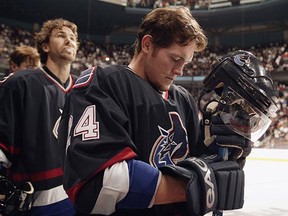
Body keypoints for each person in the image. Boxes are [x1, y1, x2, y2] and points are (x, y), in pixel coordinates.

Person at [58, 7, 277, 216]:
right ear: (147, 45)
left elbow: (201, 164)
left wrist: (226, 155)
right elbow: (98, 185)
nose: (180, 70)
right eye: (175, 59)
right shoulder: (104, 82)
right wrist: (193, 186)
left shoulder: (183, 99)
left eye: (186, 62)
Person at [0, 18, 78, 215]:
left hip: (78, 193)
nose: (69, 41)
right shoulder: (19, 83)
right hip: (35, 198)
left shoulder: (84, 91)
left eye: (73, 37)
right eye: (61, 36)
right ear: (45, 46)